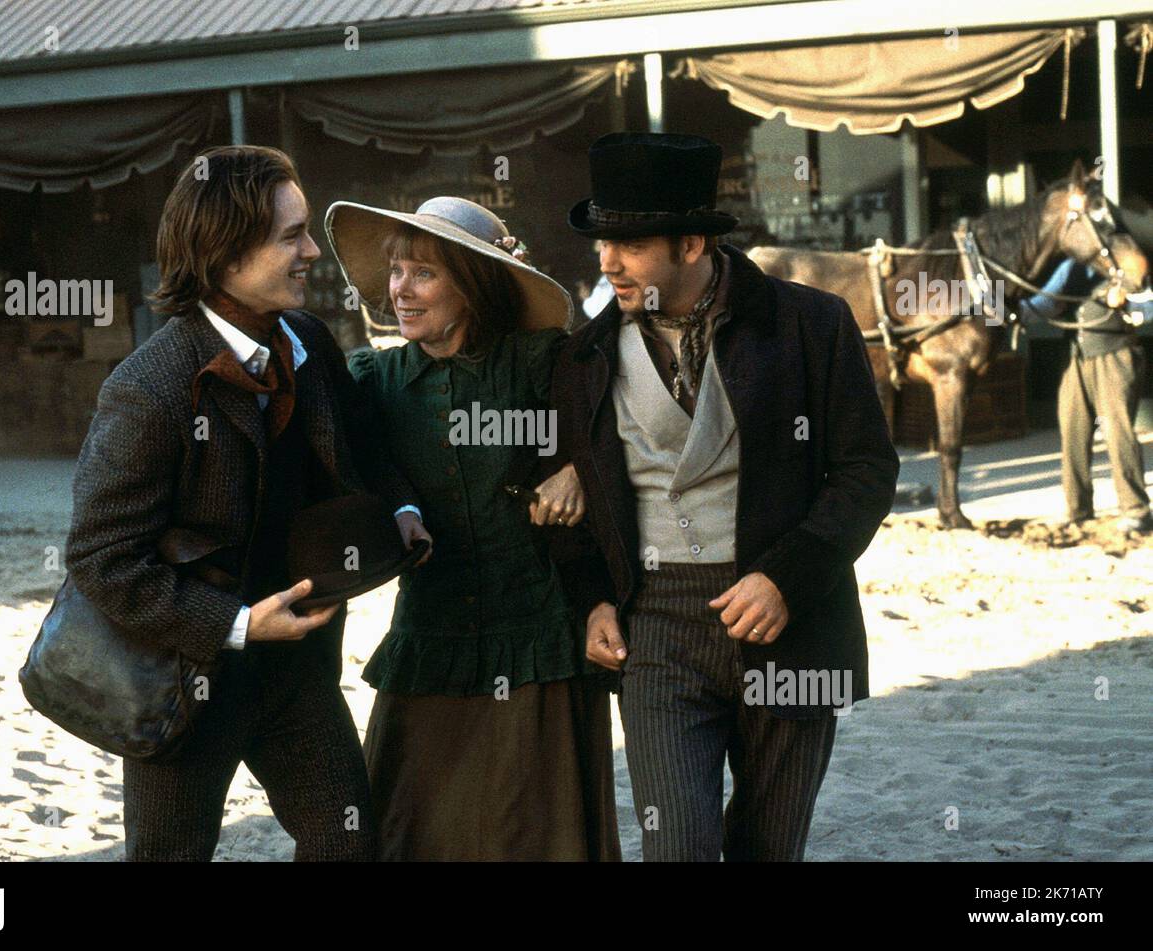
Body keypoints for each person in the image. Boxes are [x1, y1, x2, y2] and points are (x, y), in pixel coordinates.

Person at [66, 146, 430, 861]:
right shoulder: (149, 388)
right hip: (182, 680)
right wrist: (235, 623)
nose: (310, 251)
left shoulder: (310, 341)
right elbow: (99, 559)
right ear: (226, 254)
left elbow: (368, 445)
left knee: (348, 841)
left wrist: (400, 509)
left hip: (298, 672)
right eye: (289, 236)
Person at [550, 132, 899, 861]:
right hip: (655, 629)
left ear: (689, 243)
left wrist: (787, 577)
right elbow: (574, 507)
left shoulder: (812, 324)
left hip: (792, 625)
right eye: (601, 244)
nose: (608, 262)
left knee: (769, 849)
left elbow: (866, 470)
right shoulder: (583, 353)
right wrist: (593, 598)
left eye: (629, 243)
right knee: (675, 845)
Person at [326, 196, 620, 861]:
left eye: (422, 273)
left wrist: (578, 466)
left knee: (540, 834)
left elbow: (620, 416)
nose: (400, 288)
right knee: (411, 830)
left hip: (539, 638)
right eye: (396, 270)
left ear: (474, 286)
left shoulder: (540, 362)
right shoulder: (375, 380)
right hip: (431, 641)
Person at [1021, 257, 1152, 533]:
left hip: (1114, 354)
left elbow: (1149, 307)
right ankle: (1078, 508)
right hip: (1075, 358)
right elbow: (1044, 303)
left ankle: (1135, 510)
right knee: (1073, 432)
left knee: (1117, 433)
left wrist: (1128, 302)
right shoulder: (1070, 266)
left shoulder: (1129, 261)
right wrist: (1001, 309)